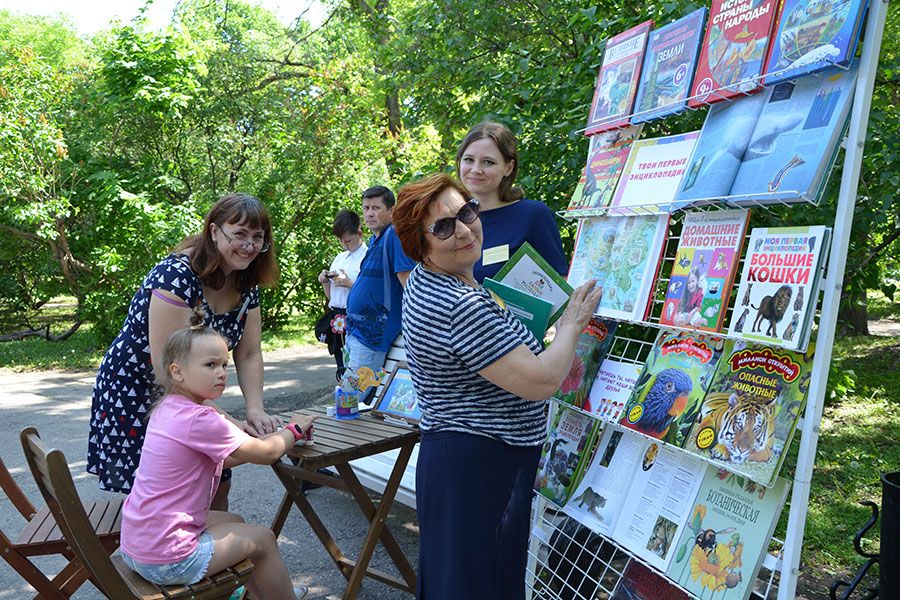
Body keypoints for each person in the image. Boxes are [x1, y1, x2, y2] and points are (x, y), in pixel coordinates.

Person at [392, 173, 602, 599]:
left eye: (467, 212)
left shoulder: (440, 281)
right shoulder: (459, 302)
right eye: (445, 227)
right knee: (477, 585)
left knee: (466, 580)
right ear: (422, 245)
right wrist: (572, 326)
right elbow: (541, 381)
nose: (466, 229)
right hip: (479, 463)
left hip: (469, 456)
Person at [87, 193, 281, 510]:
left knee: (215, 477)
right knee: (163, 492)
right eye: (240, 234)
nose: (249, 245)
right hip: (139, 391)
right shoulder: (177, 275)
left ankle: (208, 553)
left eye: (257, 237)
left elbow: (248, 354)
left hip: (188, 396)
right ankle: (162, 553)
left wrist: (255, 410)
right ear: (215, 231)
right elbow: (168, 368)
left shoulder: (248, 283)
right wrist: (223, 421)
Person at [120, 311, 313, 599]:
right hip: (169, 559)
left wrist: (256, 444)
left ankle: (251, 594)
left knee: (234, 520)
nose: (222, 372)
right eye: (210, 365)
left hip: (139, 546)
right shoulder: (200, 419)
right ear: (177, 371)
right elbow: (268, 453)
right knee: (263, 538)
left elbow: (224, 456)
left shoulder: (169, 407)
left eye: (224, 364)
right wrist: (294, 429)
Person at [456, 121, 568, 282]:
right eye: (468, 160)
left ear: (508, 168)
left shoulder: (533, 215)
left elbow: (559, 283)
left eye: (488, 162)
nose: (475, 169)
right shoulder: (448, 219)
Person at [344, 185, 415, 377]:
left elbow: (410, 285)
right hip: (356, 331)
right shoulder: (376, 239)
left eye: (376, 208)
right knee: (350, 396)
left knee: (350, 397)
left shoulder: (394, 235)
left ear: (392, 211)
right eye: (366, 208)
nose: (369, 214)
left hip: (372, 336)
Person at [316, 209, 368, 381]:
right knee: (340, 364)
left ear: (359, 232)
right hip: (337, 316)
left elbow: (369, 295)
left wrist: (350, 284)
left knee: (355, 365)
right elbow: (331, 297)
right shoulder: (340, 257)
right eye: (341, 241)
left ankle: (353, 400)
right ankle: (344, 398)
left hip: (354, 316)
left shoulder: (366, 257)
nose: (345, 245)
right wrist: (325, 281)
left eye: (348, 240)